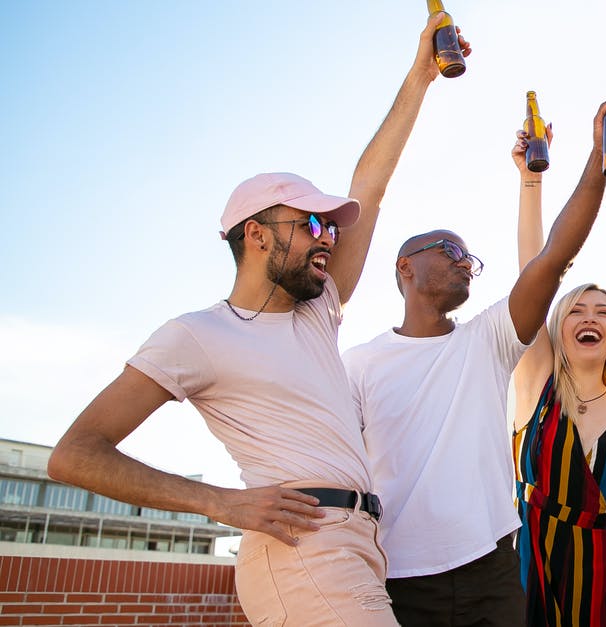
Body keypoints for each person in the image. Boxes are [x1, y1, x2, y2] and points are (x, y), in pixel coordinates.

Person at [45, 13, 464, 625]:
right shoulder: (198, 335)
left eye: (329, 228)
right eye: (310, 225)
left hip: (362, 545)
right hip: (302, 551)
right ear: (257, 235)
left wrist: (421, 76)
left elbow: (368, 189)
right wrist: (218, 502)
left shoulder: (318, 311)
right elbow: (74, 454)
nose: (327, 240)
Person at [342, 95, 606, 626]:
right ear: (405, 267)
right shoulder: (360, 364)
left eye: (471, 259)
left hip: (494, 571)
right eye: (450, 251)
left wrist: (599, 157)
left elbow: (553, 257)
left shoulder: (488, 341)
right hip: (397, 577)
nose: (466, 264)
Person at [508, 128, 606, 626]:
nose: (590, 318)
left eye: (603, 312)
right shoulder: (539, 386)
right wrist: (531, 182)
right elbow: (535, 271)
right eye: (577, 310)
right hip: (535, 570)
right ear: (557, 326)